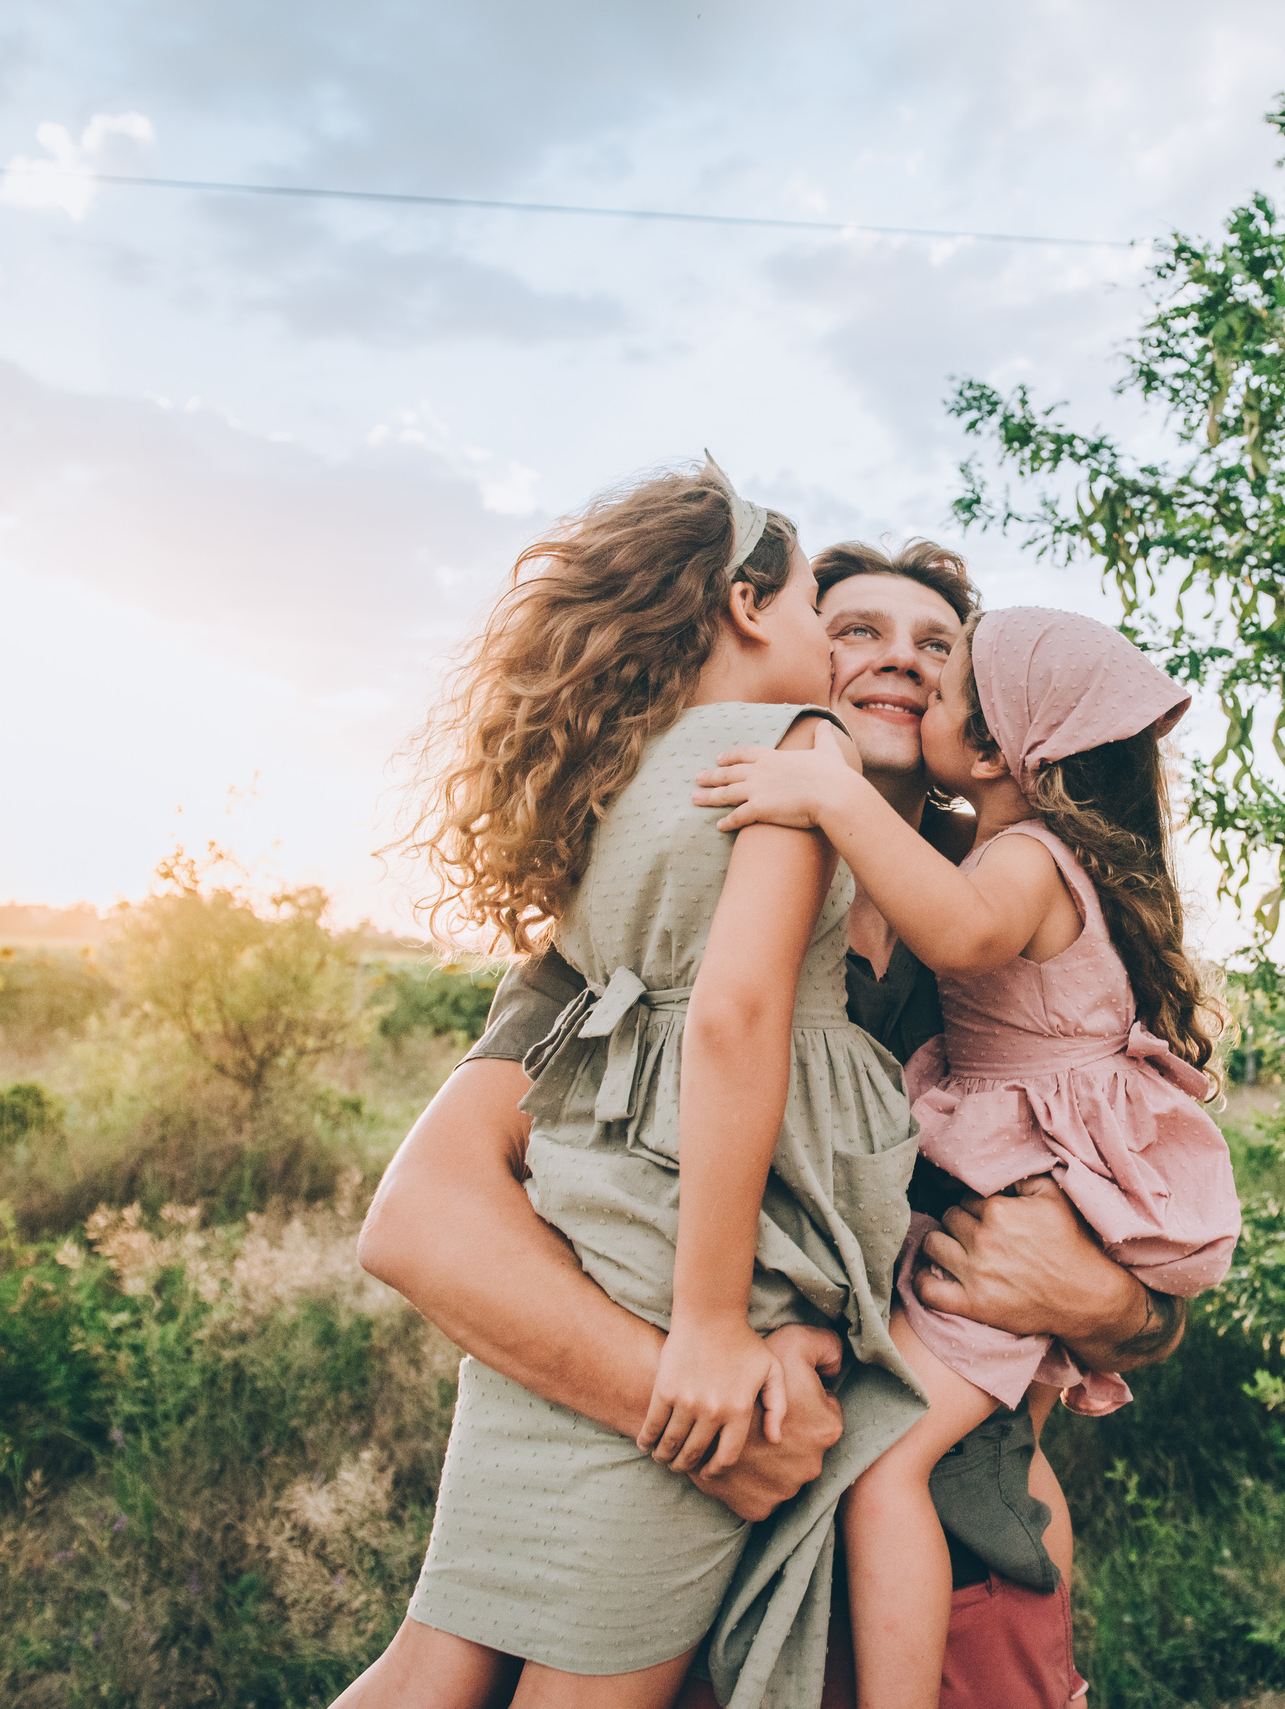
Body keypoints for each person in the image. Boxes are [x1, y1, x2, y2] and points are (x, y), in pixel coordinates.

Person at [356, 543, 1185, 1709]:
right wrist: (717, 1410)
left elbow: (1149, 1194)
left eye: (937, 644)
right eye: (854, 628)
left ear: (984, 719)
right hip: (705, 1547)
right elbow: (421, 1220)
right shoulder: (673, 899)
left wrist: (1118, 1308)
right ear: (792, 655)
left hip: (959, 1563)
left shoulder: (1019, 907)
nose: (900, 655)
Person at [336, 458, 925, 1709]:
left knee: (427, 1666)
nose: (842, 651)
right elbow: (738, 1013)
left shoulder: (617, 789)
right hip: (684, 1296)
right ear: (750, 602)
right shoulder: (798, 749)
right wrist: (710, 1327)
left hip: (584, 1247)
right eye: (831, 612)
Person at [695, 607, 1241, 1709]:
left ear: (993, 753)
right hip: (1018, 1171)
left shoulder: (1020, 859)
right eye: (852, 628)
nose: (913, 675)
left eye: (941, 673)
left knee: (890, 1462)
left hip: (1023, 1181)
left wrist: (831, 790)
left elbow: (961, 936)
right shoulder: (1020, 850)